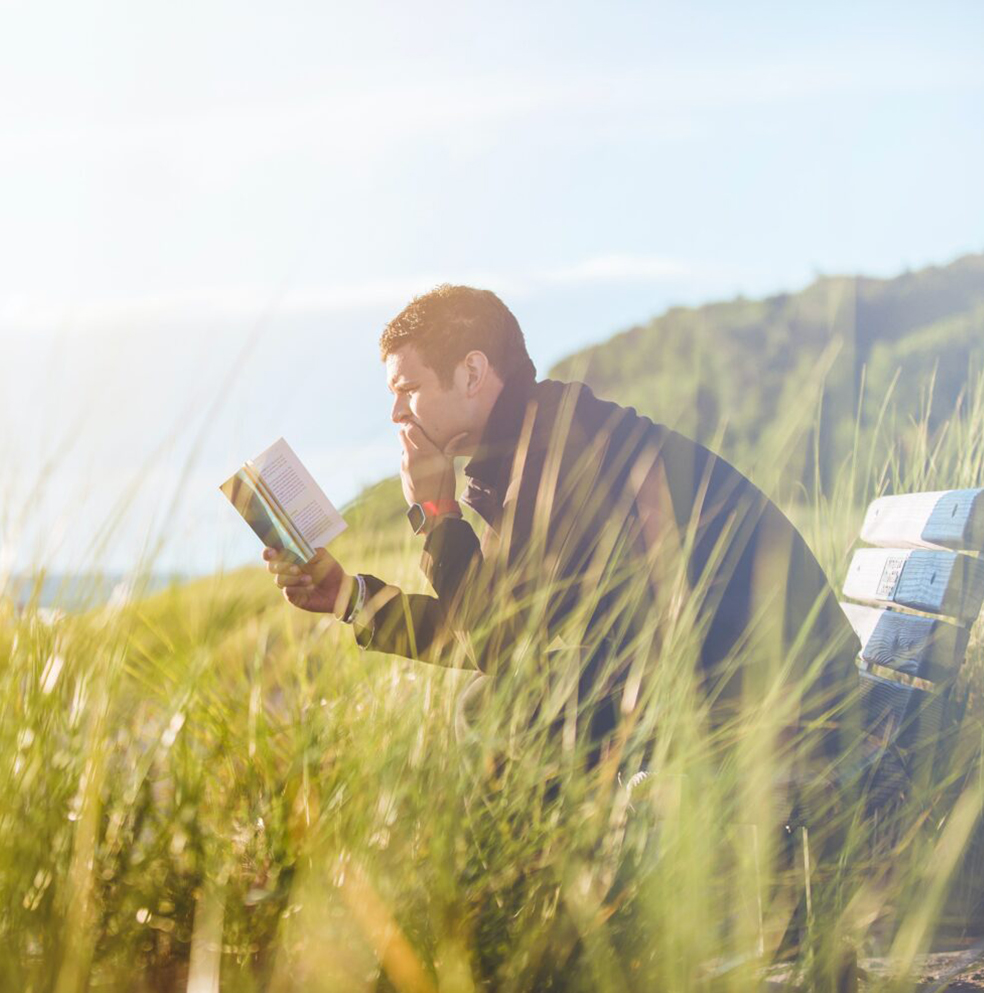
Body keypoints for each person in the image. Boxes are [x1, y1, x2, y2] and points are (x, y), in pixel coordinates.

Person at [263, 284, 860, 786]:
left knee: (502, 711)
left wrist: (440, 512)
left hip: (786, 706)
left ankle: (562, 915)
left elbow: (495, 642)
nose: (397, 414)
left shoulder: (562, 453)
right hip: (739, 683)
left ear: (472, 372)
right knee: (510, 703)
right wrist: (348, 596)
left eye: (407, 388)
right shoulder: (533, 445)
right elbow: (495, 631)